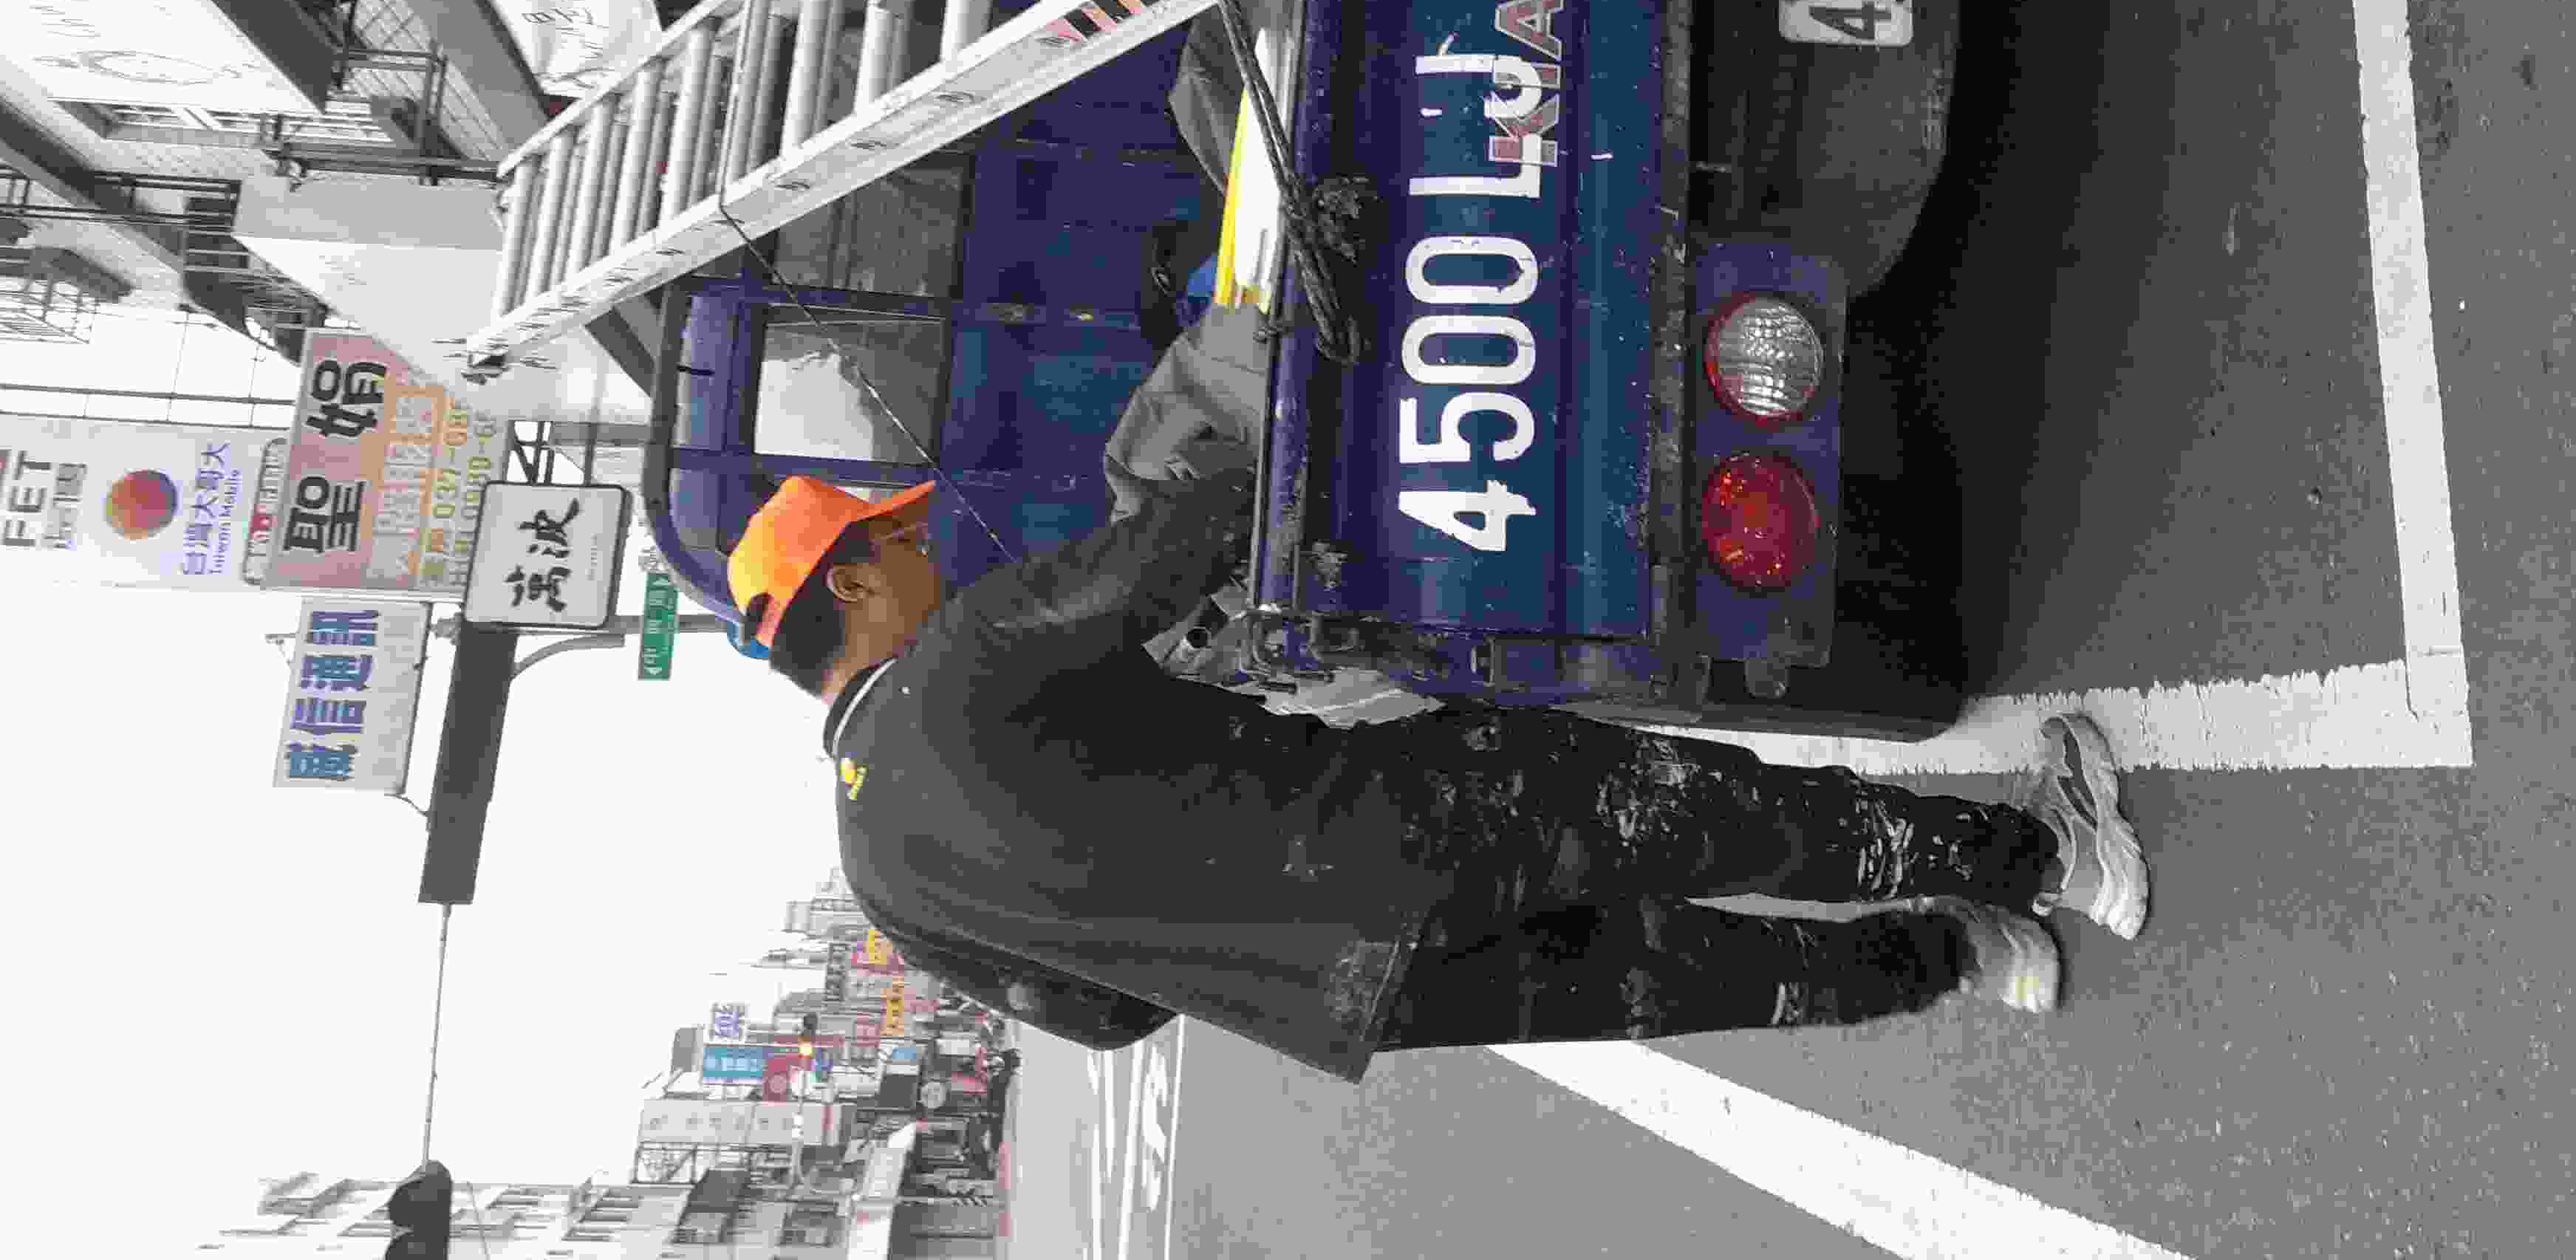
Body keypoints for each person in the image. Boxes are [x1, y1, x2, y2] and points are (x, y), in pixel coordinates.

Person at [729, 304, 2150, 1077]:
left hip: (1366, 996)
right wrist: (1278, 406)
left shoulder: (881, 879)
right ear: (848, 588)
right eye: (892, 544)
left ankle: (1976, 960)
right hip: (1413, 824)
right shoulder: (967, 654)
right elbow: (1166, 556)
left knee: (1706, 979)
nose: (921, 550)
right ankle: (2054, 861)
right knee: (1723, 821)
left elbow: (1110, 1019)